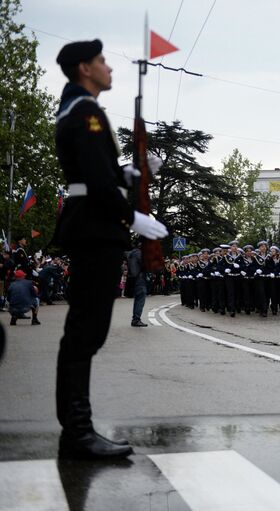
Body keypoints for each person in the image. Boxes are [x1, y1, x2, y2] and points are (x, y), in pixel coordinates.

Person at [53, 40, 168, 459]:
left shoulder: (78, 108)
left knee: (85, 332)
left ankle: (77, 429)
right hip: (95, 228)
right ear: (85, 68)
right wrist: (130, 217)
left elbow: (96, 170)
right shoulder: (85, 112)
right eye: (102, 61)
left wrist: (129, 171)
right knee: (85, 332)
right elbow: (94, 180)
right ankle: (78, 432)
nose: (109, 67)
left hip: (92, 226)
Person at [126, 242, 148, 327]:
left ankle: (135, 319)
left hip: (133, 279)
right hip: (140, 278)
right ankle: (136, 319)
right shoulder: (140, 254)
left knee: (137, 299)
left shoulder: (132, 253)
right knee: (140, 299)